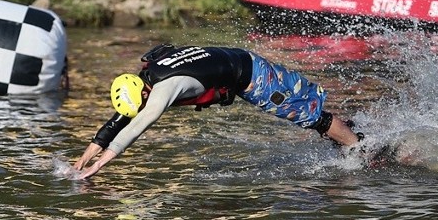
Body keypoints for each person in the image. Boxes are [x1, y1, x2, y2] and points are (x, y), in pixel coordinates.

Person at [72, 44, 364, 179]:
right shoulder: (144, 79)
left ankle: (359, 148)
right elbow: (122, 119)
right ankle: (348, 134)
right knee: (308, 114)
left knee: (310, 117)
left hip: (251, 75)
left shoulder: (164, 89)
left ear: (144, 92)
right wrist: (83, 160)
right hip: (235, 58)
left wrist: (100, 165)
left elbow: (138, 125)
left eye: (143, 103)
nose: (142, 108)